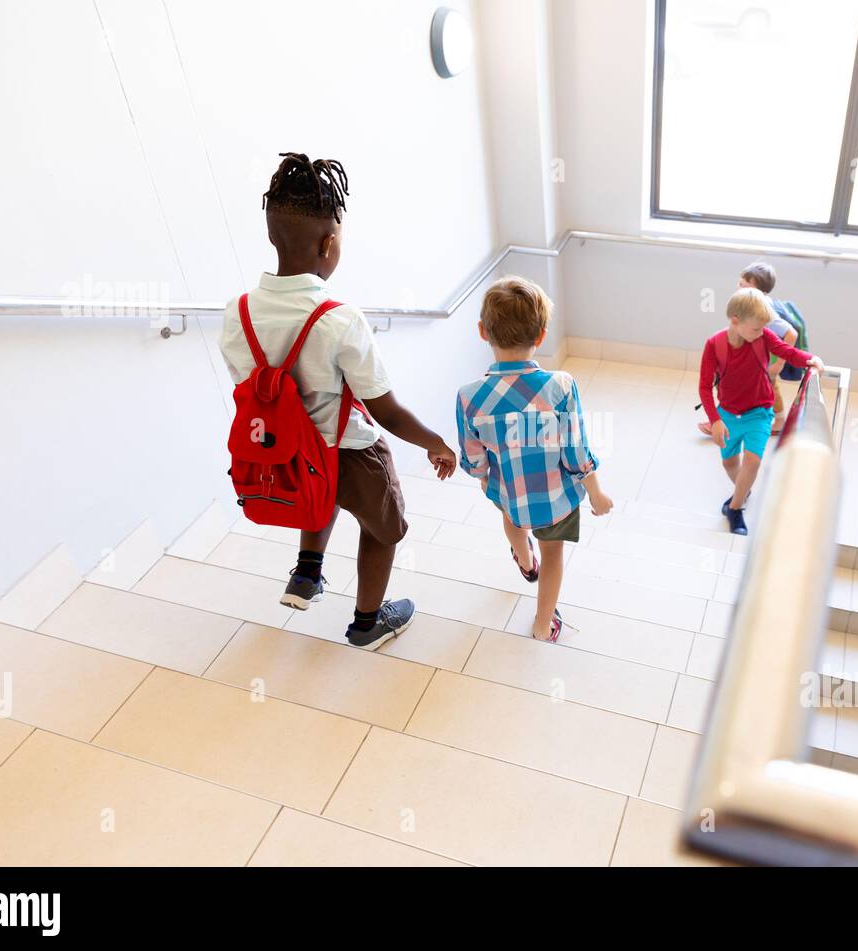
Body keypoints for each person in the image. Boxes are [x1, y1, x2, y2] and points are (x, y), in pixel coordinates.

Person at [220, 152, 457, 650]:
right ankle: (368, 622)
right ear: (330, 244)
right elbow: (386, 410)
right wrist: (435, 442)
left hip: (283, 453)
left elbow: (259, 386)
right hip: (352, 455)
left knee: (316, 489)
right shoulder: (338, 318)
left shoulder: (237, 312)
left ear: (271, 236)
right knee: (385, 531)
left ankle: (307, 573)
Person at [455, 276, 613, 642]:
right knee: (553, 553)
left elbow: (473, 454)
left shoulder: (469, 397)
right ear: (541, 336)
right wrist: (597, 492)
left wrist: (483, 476)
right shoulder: (560, 386)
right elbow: (575, 450)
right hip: (555, 496)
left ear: (483, 332)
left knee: (513, 522)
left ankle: (525, 562)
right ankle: (543, 625)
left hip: (509, 490)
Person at [699, 287, 825, 535]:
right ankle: (742, 491)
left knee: (753, 462)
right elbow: (704, 387)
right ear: (735, 320)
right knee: (730, 464)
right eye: (756, 329)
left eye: (762, 330)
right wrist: (714, 420)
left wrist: (811, 359)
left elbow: (788, 351)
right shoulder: (714, 345)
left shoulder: (762, 337)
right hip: (728, 415)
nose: (760, 335)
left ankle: (735, 509)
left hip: (759, 411)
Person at [696, 262, 801, 437]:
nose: (740, 289)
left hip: (768, 353)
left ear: (761, 292)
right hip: (754, 350)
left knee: (770, 387)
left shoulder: (768, 311)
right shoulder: (748, 304)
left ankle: (780, 421)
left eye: (746, 286)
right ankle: (722, 416)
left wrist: (779, 364)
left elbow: (791, 333)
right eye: (740, 284)